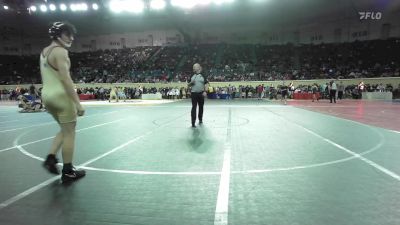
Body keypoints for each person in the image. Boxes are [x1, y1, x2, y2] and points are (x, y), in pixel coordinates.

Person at [40, 22, 86, 183]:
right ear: (58, 35)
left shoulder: (44, 52)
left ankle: (51, 158)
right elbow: (66, 79)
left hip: (47, 96)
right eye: (68, 34)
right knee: (70, 133)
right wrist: (78, 103)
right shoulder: (61, 52)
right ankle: (68, 171)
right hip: (61, 96)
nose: (71, 38)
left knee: (64, 129)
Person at [188, 63, 209, 128]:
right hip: (193, 93)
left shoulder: (203, 75)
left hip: (201, 93)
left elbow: (206, 84)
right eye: (193, 67)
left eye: (195, 67)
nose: (193, 68)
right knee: (194, 107)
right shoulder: (192, 75)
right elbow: (188, 85)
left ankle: (200, 119)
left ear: (199, 67)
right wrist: (191, 83)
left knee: (201, 107)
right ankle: (193, 122)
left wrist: (205, 91)